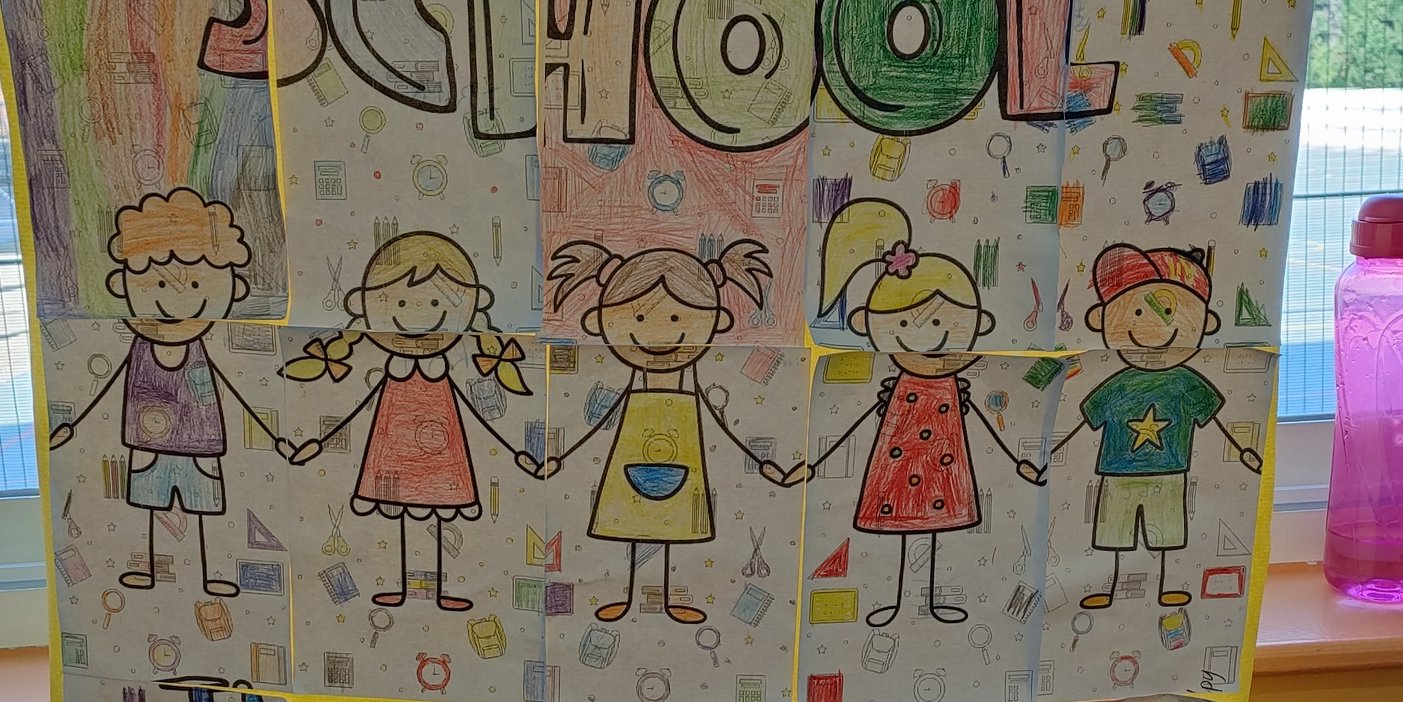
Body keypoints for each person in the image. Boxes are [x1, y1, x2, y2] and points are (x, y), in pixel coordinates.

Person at [810, 198, 1032, 627]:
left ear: (980, 325)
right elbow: (858, 424)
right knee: (903, 529)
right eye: (904, 325)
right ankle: (897, 601)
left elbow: (986, 427)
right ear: (866, 324)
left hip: (942, 467)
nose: (931, 340)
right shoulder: (899, 388)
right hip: (898, 465)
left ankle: (928, 602)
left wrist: (1018, 463)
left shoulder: (952, 386)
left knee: (931, 530)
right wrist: (814, 465)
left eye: (943, 324)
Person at [286, 231, 535, 612]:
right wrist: (317, 444)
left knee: (437, 516)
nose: (417, 314)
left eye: (436, 301)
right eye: (399, 302)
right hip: (395, 455)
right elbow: (358, 408)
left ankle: (438, 591)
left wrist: (518, 452)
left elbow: (474, 411)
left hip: (442, 456)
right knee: (403, 517)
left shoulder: (441, 371)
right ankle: (404, 588)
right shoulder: (394, 371)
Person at [48, 188, 280, 597]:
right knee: (150, 508)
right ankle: (150, 570)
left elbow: (230, 389)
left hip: (200, 447)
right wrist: (71, 426)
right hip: (148, 446)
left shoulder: (200, 351)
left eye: (196, 283)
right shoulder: (139, 350)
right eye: (155, 282)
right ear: (121, 284)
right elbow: (107, 386)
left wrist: (273, 436)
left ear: (233, 289)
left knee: (205, 508)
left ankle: (211, 573)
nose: (175, 300)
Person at [547, 237, 787, 624]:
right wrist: (559, 457)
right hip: (631, 457)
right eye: (639, 319)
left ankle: (668, 601)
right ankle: (628, 598)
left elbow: (722, 425)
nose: (659, 334)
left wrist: (764, 464)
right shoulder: (629, 385)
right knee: (635, 526)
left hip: (683, 458)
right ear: (599, 322)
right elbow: (604, 417)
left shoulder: (695, 385)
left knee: (670, 529)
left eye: (678, 320)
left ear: (716, 322)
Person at [1019, 242, 1263, 609]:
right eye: (1136, 312)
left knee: (1164, 535)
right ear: (1101, 320)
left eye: (1172, 315)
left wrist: (1244, 450)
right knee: (1115, 534)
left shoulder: (1187, 383)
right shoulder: (1117, 384)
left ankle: (1163, 587)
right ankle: (1112, 588)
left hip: (1169, 470)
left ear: (1206, 324)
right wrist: (1045, 458)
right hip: (1117, 472)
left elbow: (1217, 423)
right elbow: (1081, 424)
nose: (1155, 329)